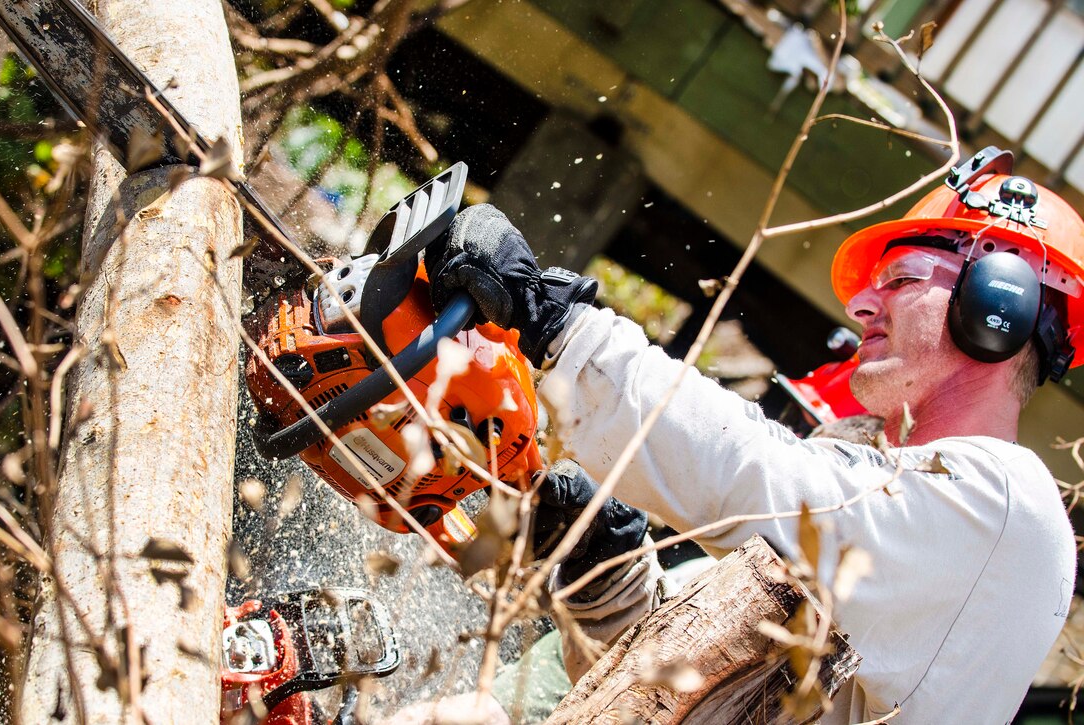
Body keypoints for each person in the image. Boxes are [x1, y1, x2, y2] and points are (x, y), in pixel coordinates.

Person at [423, 152, 1082, 723]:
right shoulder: (902, 526)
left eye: (903, 278)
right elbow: (696, 692)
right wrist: (610, 579)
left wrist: (553, 320)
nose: (861, 307)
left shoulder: (1002, 508)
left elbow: (759, 475)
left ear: (1000, 306)